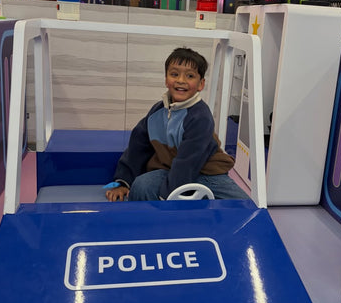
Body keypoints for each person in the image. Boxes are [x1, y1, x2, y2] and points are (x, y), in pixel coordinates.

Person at [106, 47, 250, 202]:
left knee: (243, 205)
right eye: (174, 74)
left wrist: (167, 198)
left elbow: (188, 162)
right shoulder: (157, 112)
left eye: (190, 76)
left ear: (201, 84)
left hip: (208, 173)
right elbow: (137, 147)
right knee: (141, 186)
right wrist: (123, 181)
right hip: (170, 171)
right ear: (166, 80)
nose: (181, 80)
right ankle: (149, 221)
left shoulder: (200, 116)